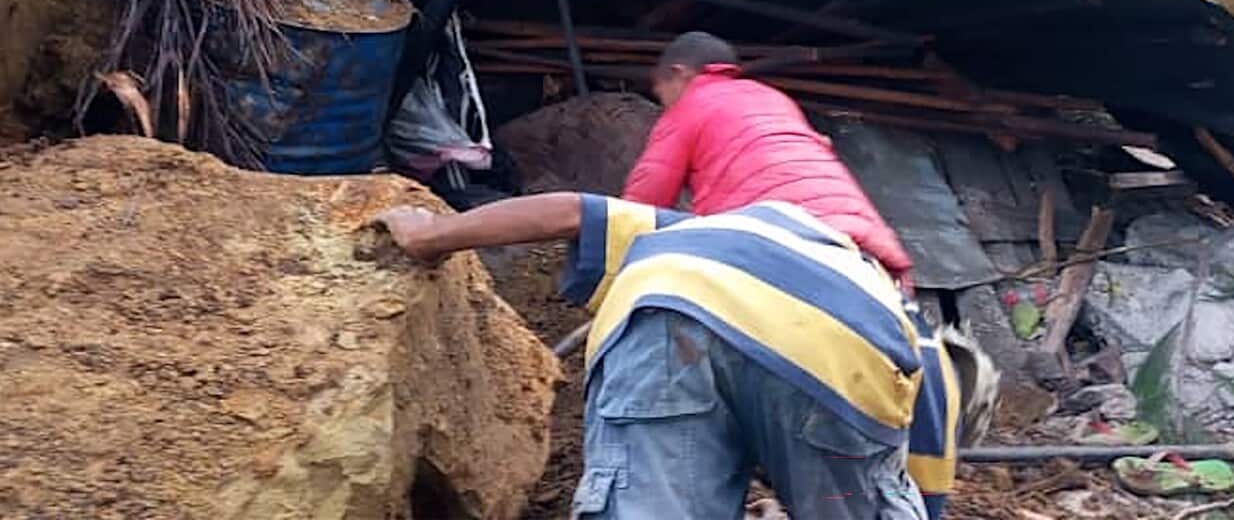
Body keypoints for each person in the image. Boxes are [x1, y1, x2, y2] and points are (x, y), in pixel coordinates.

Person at [373, 192, 931, 519]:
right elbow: (927, 458)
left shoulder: (691, 233)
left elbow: (569, 209)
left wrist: (431, 235)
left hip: (663, 310)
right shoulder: (889, 300)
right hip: (844, 350)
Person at [623, 32, 917, 290]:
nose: (662, 102)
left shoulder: (687, 108)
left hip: (772, 241)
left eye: (660, 91)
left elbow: (646, 199)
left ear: (679, 73)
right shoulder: (775, 98)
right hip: (867, 245)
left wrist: (615, 250)